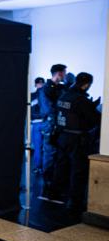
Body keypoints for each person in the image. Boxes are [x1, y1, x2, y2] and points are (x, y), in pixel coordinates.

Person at [52, 72, 101, 211]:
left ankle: (54, 193)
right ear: (86, 85)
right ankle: (74, 202)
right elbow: (94, 119)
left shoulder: (64, 95)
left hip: (62, 136)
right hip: (76, 138)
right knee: (78, 170)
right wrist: (94, 107)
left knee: (61, 166)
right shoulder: (81, 100)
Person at [38, 64, 67, 200]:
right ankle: (47, 186)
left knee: (56, 156)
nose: (65, 76)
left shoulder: (60, 88)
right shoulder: (46, 89)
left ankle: (53, 186)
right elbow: (49, 109)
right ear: (59, 73)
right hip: (50, 125)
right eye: (64, 73)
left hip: (57, 126)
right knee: (49, 155)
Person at [31, 77, 45, 174]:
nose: (40, 84)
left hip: (36, 124)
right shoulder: (46, 95)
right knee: (44, 149)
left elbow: (30, 112)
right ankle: (42, 168)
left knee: (38, 148)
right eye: (39, 83)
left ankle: (37, 168)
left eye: (41, 83)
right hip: (43, 123)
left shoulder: (31, 96)